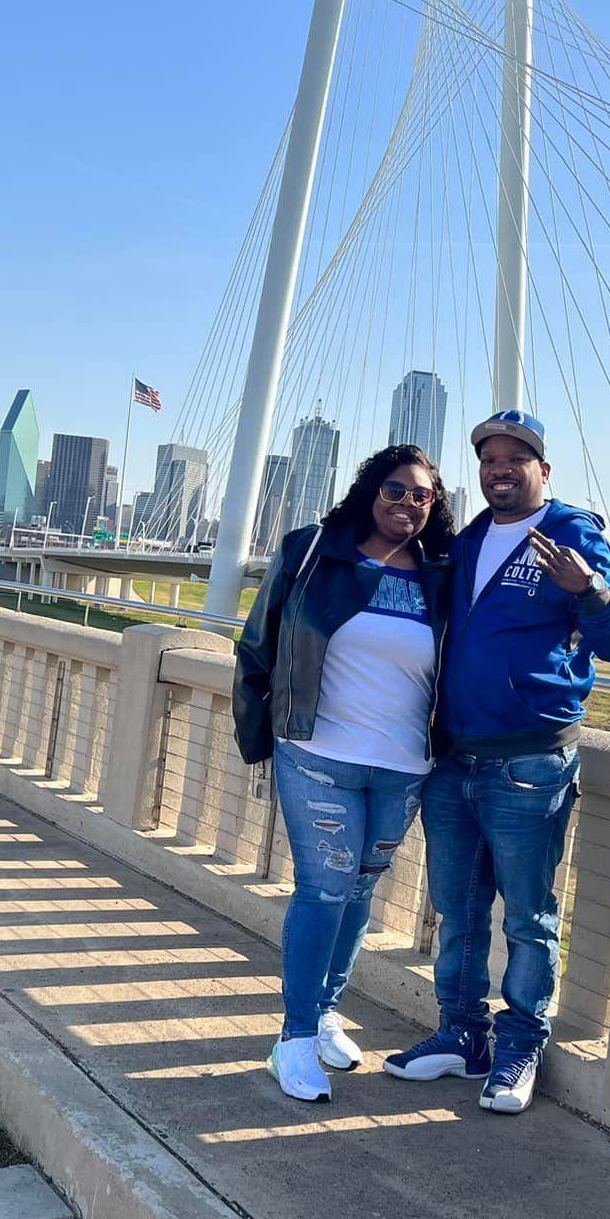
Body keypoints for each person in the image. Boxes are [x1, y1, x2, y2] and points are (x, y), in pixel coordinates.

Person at [385, 409, 610, 1113]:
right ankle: (461, 1036)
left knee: (528, 918)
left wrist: (589, 590)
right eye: (489, 459)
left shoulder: (571, 534)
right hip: (454, 760)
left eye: (515, 458)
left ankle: (520, 1045)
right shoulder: (469, 539)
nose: (499, 469)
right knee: (458, 911)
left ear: (543, 470)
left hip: (529, 765)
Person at [232, 444, 455, 1103]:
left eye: (422, 494)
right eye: (395, 490)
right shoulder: (312, 551)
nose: (407, 503)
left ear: (435, 505)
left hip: (405, 767)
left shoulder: (443, 572)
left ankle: (326, 1011)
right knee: (324, 890)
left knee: (359, 892)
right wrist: (256, 737)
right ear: (369, 492)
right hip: (318, 755)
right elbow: (257, 644)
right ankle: (294, 1039)